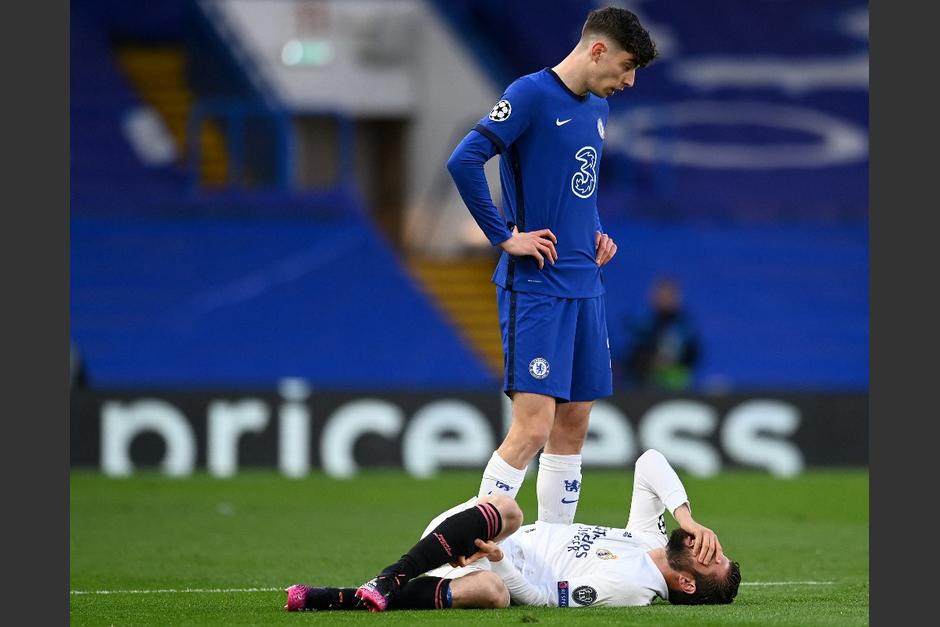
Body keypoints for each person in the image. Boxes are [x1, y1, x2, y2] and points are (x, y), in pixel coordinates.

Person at [445, 7, 659, 529]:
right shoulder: (530, 95)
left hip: (588, 286)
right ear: (598, 49)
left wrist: (596, 232)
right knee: (532, 428)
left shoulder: (598, 110)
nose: (629, 81)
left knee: (576, 421)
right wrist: (504, 236)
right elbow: (464, 160)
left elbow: (578, 187)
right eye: (627, 67)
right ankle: (475, 548)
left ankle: (554, 549)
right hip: (538, 287)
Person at [284, 449, 741, 611]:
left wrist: (497, 562)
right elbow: (649, 463)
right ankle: (390, 577)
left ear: (686, 581)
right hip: (469, 531)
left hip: (487, 563)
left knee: (492, 595)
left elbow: (543, 599)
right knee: (509, 508)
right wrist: (686, 517)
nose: (710, 545)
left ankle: (338, 596)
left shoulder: (632, 586)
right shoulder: (650, 540)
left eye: (713, 560)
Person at [622, 276, 702, 391]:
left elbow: (694, 354)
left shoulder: (685, 326)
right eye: (662, 294)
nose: (666, 298)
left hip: (677, 385)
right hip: (644, 383)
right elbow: (633, 354)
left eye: (670, 294)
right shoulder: (644, 323)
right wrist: (651, 361)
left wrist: (672, 362)